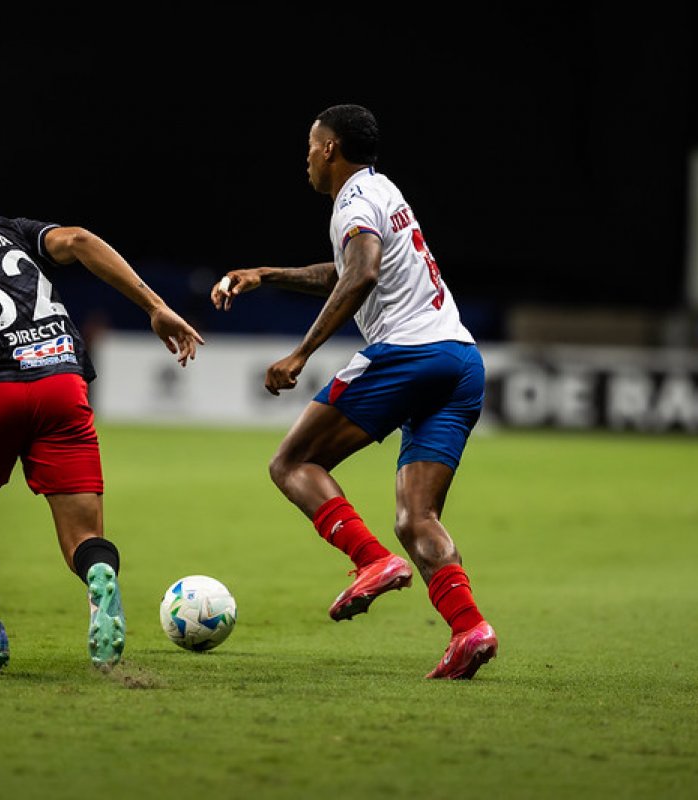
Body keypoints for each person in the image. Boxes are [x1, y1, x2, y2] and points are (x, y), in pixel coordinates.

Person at [0, 176, 204, 674]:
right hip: (61, 383)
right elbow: (82, 240)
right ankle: (100, 576)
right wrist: (155, 306)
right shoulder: (3, 229)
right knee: (83, 537)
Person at [210, 104, 497, 679]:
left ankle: (371, 561)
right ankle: (470, 629)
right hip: (460, 360)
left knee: (292, 462)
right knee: (418, 518)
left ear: (331, 149)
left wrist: (301, 354)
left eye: (311, 147)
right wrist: (267, 275)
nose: (307, 159)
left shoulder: (353, 202)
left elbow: (361, 273)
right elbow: (345, 269)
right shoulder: (382, 191)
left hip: (409, 354)